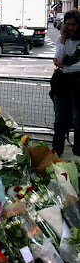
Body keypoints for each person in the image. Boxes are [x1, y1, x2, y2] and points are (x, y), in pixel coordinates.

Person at [52, 9, 80, 156]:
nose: (70, 28)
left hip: (77, 84)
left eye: (74, 24)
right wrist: (62, 39)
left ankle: (78, 152)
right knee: (59, 118)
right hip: (61, 83)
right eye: (67, 25)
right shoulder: (62, 39)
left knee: (77, 118)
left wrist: (65, 67)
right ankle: (57, 151)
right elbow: (57, 60)